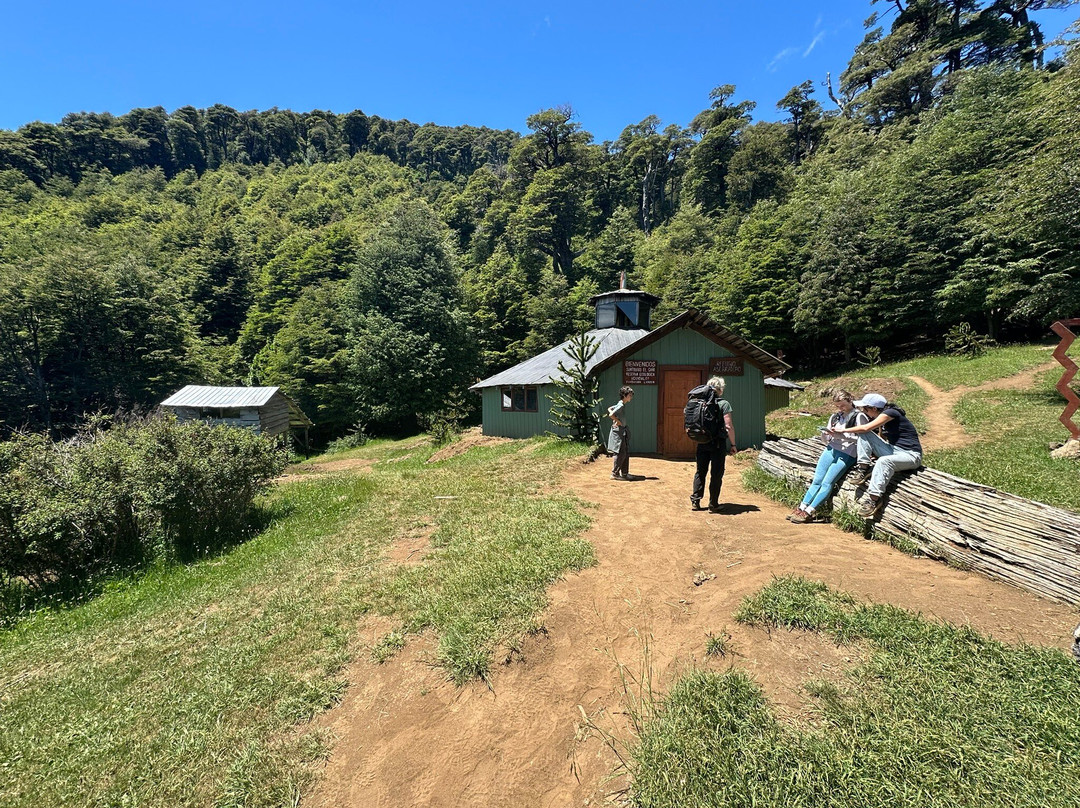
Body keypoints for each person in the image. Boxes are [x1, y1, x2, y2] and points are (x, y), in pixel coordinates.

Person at [832, 392, 923, 520]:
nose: (863, 411)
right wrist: (874, 451)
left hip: (911, 455)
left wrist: (842, 430)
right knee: (864, 434)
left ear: (874, 408)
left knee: (883, 460)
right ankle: (863, 468)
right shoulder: (882, 416)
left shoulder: (890, 413)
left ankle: (874, 500)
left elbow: (865, 428)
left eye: (865, 408)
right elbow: (879, 436)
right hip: (893, 450)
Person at [788, 391, 869, 524]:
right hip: (831, 449)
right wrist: (827, 434)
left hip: (847, 452)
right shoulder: (836, 417)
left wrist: (841, 436)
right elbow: (827, 437)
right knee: (817, 480)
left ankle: (810, 511)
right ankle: (801, 507)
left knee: (827, 482)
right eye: (838, 406)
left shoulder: (859, 417)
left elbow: (863, 439)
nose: (840, 409)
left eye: (842, 405)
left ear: (850, 401)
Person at [690, 376, 736, 513]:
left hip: (702, 442)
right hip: (717, 444)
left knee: (700, 472)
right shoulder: (724, 404)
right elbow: (728, 426)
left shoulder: (699, 402)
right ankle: (713, 504)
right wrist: (733, 444)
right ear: (720, 389)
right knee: (716, 474)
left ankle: (696, 501)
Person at [607, 386, 634, 480]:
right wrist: (617, 421)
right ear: (624, 395)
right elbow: (610, 414)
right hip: (619, 432)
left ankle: (625, 473)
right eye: (629, 395)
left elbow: (609, 408)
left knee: (625, 452)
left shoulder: (621, 403)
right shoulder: (621, 405)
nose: (631, 397)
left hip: (623, 431)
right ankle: (614, 474)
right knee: (621, 453)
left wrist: (617, 419)